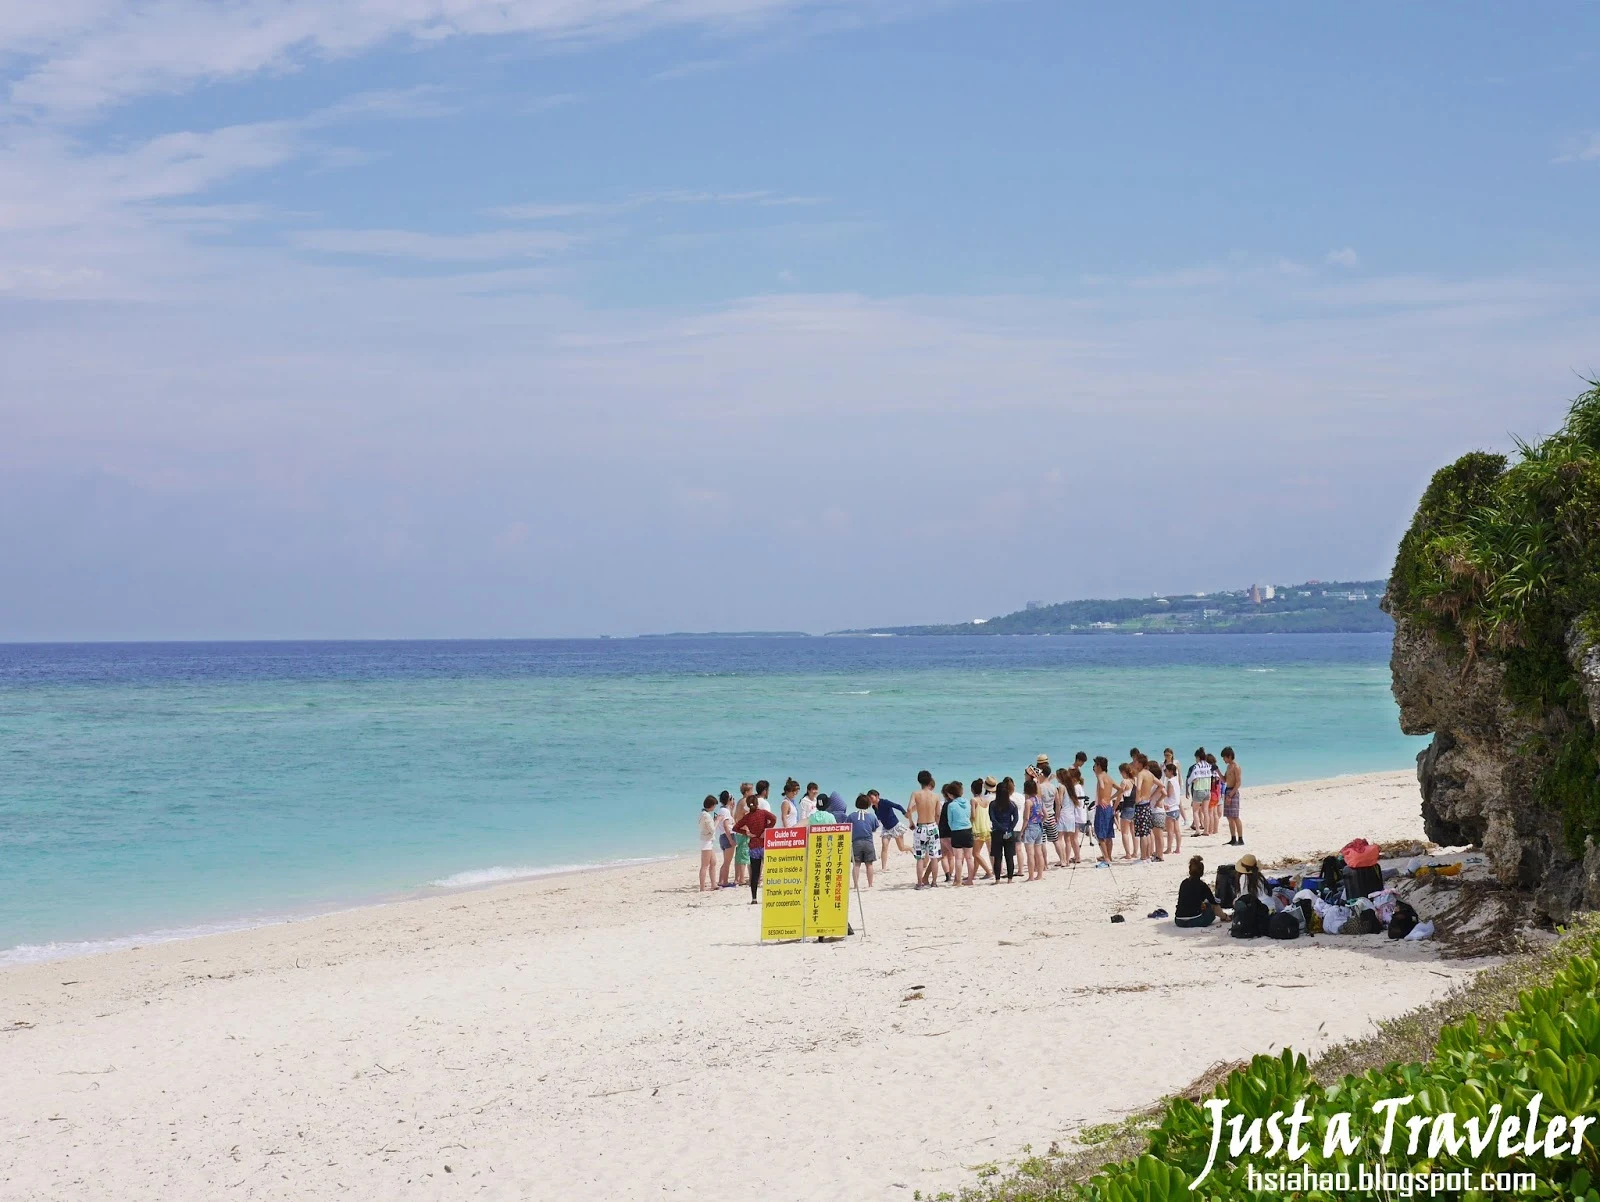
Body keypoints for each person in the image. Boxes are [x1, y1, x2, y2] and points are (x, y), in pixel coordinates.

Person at [733, 796, 776, 903]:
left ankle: (754, 898)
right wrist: (766, 830)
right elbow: (774, 819)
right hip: (764, 844)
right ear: (757, 803)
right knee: (770, 871)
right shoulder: (763, 813)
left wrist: (747, 833)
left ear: (748, 805)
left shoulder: (747, 817)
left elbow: (735, 828)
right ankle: (771, 896)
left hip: (754, 846)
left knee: (755, 874)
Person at [907, 770, 943, 888]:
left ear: (919, 781)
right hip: (932, 826)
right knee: (934, 857)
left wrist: (911, 822)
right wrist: (937, 825)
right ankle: (934, 882)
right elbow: (938, 814)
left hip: (921, 827)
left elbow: (909, 809)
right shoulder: (936, 796)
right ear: (930, 780)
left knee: (920, 857)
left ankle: (919, 883)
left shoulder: (916, 794)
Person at [1175, 855, 1227, 927]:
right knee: (1211, 906)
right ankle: (1225, 917)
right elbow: (1213, 901)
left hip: (1179, 920)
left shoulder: (1184, 883)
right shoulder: (1202, 885)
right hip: (1196, 920)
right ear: (1202, 872)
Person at [988, 777, 1019, 882]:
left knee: (998, 857)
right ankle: (1010, 879)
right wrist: (1009, 829)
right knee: (1009, 857)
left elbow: (993, 819)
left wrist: (1002, 828)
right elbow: (1016, 818)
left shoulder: (993, 804)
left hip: (997, 832)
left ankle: (997, 879)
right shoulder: (1012, 804)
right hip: (1009, 832)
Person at [944, 781, 974, 885]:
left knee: (958, 858)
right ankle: (970, 880)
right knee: (969, 857)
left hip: (957, 831)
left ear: (950, 794)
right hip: (968, 829)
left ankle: (958, 881)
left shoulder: (951, 805)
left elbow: (950, 821)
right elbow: (969, 815)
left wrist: (953, 828)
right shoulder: (967, 802)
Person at [849, 794, 882, 888]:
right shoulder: (871, 816)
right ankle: (870, 884)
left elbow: (848, 828)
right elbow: (874, 828)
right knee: (869, 864)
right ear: (868, 804)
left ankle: (855, 885)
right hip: (868, 842)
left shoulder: (851, 816)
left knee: (856, 864)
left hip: (856, 842)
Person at [1021, 776, 1049, 881]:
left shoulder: (1028, 802)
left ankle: (1031, 876)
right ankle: (1040, 875)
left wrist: (1021, 831)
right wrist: (1040, 821)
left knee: (1030, 854)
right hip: (1039, 827)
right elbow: (1046, 815)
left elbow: (1026, 818)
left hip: (1030, 828)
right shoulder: (1039, 800)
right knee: (1039, 853)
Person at [1092, 757, 1118, 867]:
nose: (1094, 768)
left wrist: (1101, 798)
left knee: (1100, 834)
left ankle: (1106, 859)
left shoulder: (1100, 776)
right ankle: (1109, 857)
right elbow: (1121, 789)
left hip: (1102, 808)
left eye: (1095, 765)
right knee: (1108, 834)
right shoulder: (1109, 777)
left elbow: (1102, 786)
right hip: (1109, 807)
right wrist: (1110, 798)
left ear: (1099, 766)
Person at [871, 789, 910, 861]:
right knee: (884, 847)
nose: (870, 800)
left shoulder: (884, 802)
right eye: (869, 799)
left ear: (877, 796)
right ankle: (883, 867)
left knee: (901, 848)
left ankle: (911, 849)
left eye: (871, 798)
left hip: (895, 826)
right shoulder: (874, 807)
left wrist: (904, 813)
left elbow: (897, 806)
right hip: (886, 829)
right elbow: (880, 818)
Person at [1060, 766, 1087, 864]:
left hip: (1077, 815)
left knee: (1073, 838)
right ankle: (1076, 856)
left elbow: (1076, 802)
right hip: (1080, 815)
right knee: (1073, 838)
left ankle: (1077, 857)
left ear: (1074, 778)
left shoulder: (1076, 787)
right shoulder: (1079, 786)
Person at [969, 778, 993, 879]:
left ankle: (988, 872)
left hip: (978, 829)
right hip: (986, 829)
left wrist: (969, 821)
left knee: (975, 854)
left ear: (972, 789)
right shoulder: (986, 800)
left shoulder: (973, 800)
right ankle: (972, 874)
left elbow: (973, 816)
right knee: (977, 853)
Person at [1221, 746, 1244, 846]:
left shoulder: (1236, 767)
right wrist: (1217, 771)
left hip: (1233, 792)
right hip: (1227, 790)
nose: (1223, 759)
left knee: (1235, 816)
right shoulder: (1228, 767)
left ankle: (1240, 839)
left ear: (1229, 756)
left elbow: (1238, 782)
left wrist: (1230, 795)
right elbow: (1224, 779)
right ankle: (1233, 838)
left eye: (1224, 757)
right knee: (1229, 817)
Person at [1186, 749, 1212, 836]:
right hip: (1207, 790)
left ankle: (1197, 830)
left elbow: (1193, 778)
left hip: (1198, 790)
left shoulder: (1197, 766)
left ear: (1198, 757)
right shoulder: (1209, 766)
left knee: (1195, 811)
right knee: (1206, 811)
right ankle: (1206, 830)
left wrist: (1189, 782)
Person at [698, 796, 720, 891]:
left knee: (713, 862)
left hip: (708, 841)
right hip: (706, 841)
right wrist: (717, 821)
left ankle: (713, 884)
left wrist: (714, 821)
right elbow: (712, 830)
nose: (714, 808)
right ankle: (702, 887)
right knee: (705, 865)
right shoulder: (706, 815)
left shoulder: (703, 814)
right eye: (714, 806)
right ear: (711, 805)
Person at [715, 791, 737, 887]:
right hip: (728, 836)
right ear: (729, 799)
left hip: (722, 836)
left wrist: (732, 809)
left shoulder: (721, 810)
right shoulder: (725, 811)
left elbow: (731, 822)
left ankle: (721, 880)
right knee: (727, 862)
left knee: (725, 861)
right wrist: (731, 840)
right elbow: (726, 825)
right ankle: (725, 882)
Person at [1116, 763, 1138, 860]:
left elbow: (1119, 796)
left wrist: (1114, 807)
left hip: (1127, 807)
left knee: (1124, 832)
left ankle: (1128, 854)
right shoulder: (1135, 780)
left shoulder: (1124, 781)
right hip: (1135, 807)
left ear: (1123, 772)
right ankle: (1135, 852)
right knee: (1133, 832)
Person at [731, 794, 752, 887]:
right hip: (743, 832)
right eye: (751, 791)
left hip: (738, 831)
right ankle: (742, 879)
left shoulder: (739, 802)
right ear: (747, 792)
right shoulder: (745, 802)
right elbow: (746, 816)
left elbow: (735, 817)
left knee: (739, 854)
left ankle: (737, 878)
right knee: (744, 854)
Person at [1162, 762, 1183, 855]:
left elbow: (1169, 794)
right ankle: (1178, 848)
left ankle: (1169, 848)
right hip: (1176, 807)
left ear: (1170, 771)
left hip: (1170, 808)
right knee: (1177, 830)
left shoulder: (1170, 781)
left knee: (1170, 831)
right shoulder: (1176, 781)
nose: (1165, 772)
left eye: (1165, 770)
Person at [1205, 753, 1223, 837]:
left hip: (1212, 793)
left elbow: (1210, 784)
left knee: (1210, 813)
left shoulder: (1210, 771)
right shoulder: (1216, 771)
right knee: (1215, 813)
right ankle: (1216, 829)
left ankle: (1210, 830)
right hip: (1217, 794)